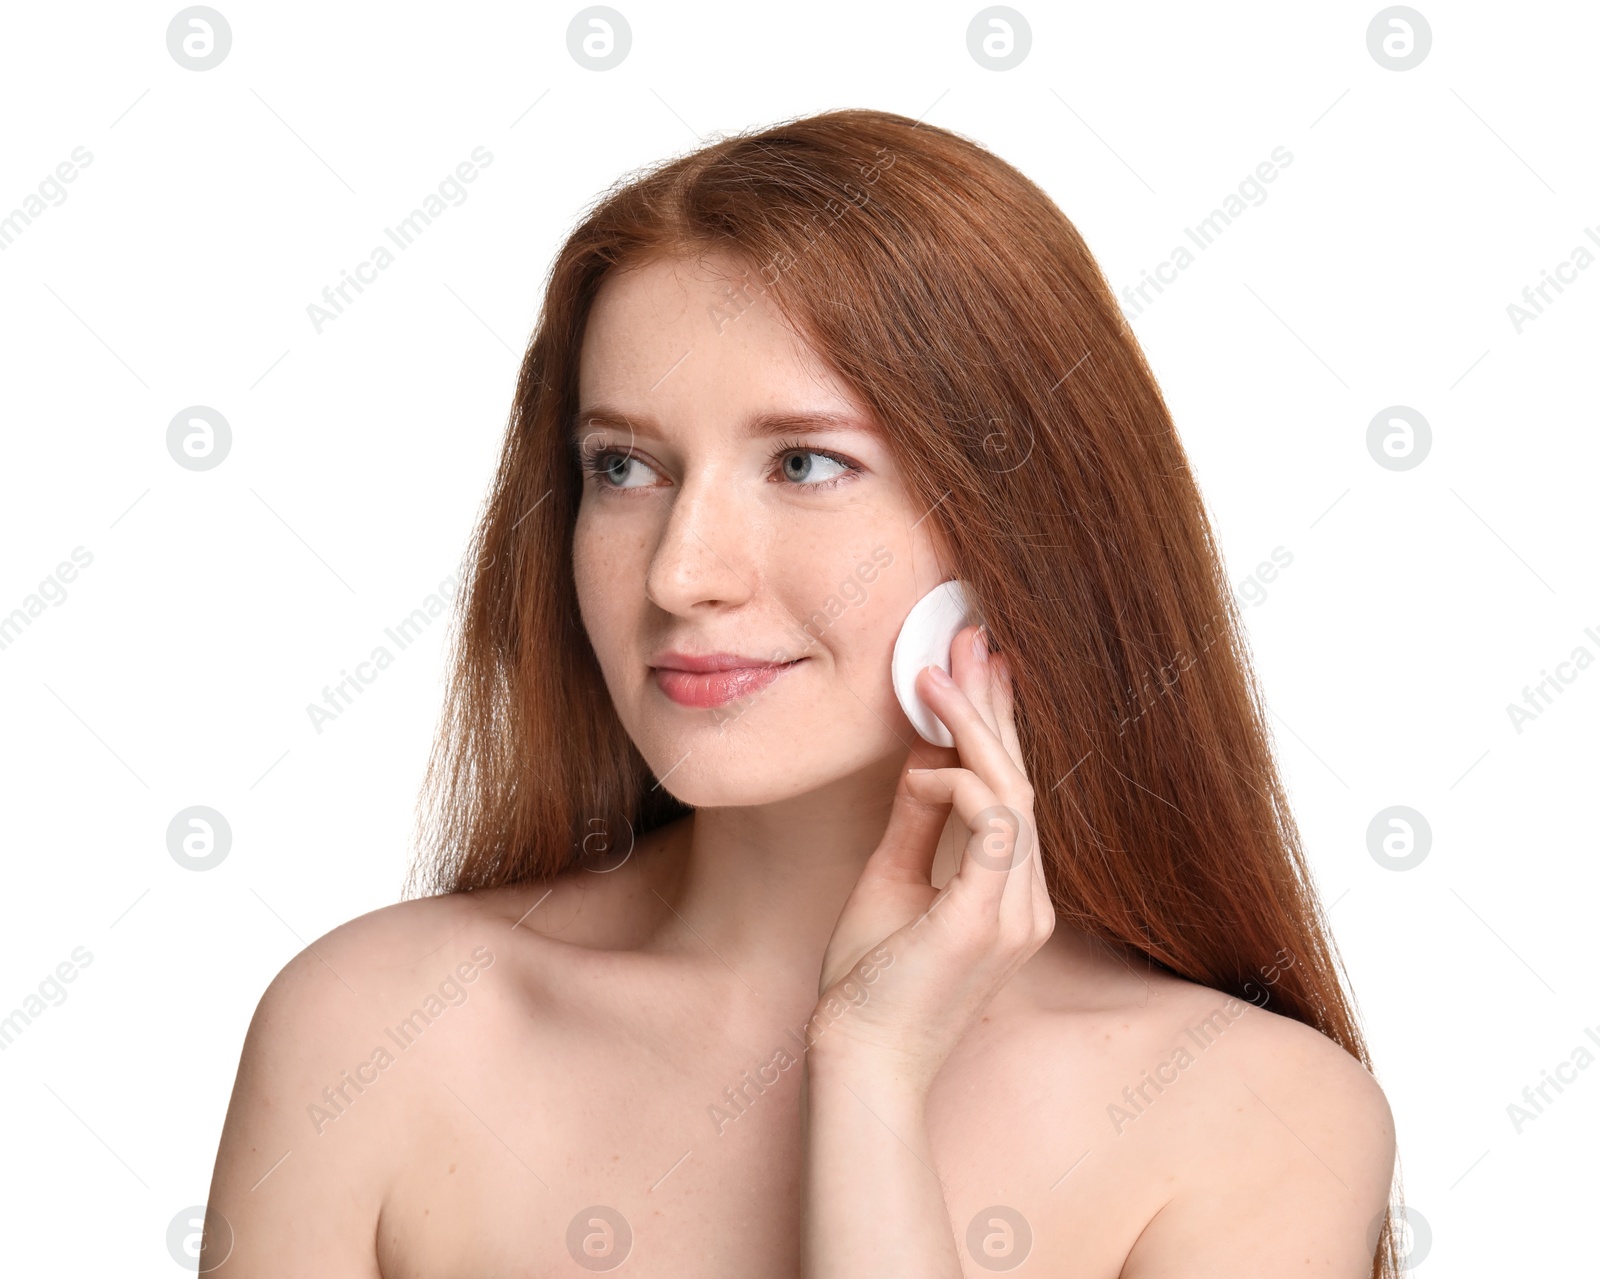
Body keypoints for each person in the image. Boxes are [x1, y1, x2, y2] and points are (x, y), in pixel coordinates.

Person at [204, 107, 1403, 1277]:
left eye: (804, 463)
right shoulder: (369, 1035)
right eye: (623, 467)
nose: (681, 571)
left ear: (1020, 533)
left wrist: (872, 1075)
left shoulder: (1255, 1119)